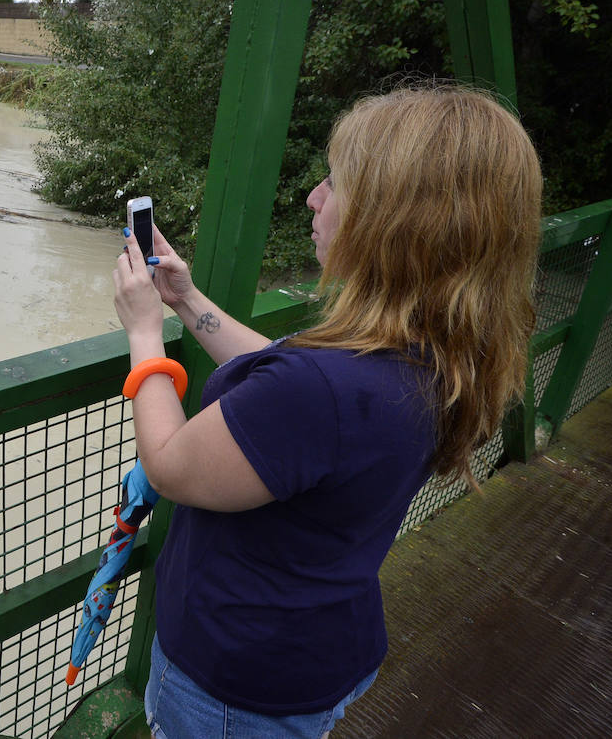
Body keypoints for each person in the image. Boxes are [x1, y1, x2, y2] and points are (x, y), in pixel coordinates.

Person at [111, 86, 542, 738]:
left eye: (336, 183)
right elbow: (290, 385)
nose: (313, 196)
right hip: (321, 650)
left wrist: (143, 333)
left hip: (235, 680)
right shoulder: (436, 352)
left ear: (394, 223)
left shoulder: (323, 389)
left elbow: (171, 468)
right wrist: (184, 299)